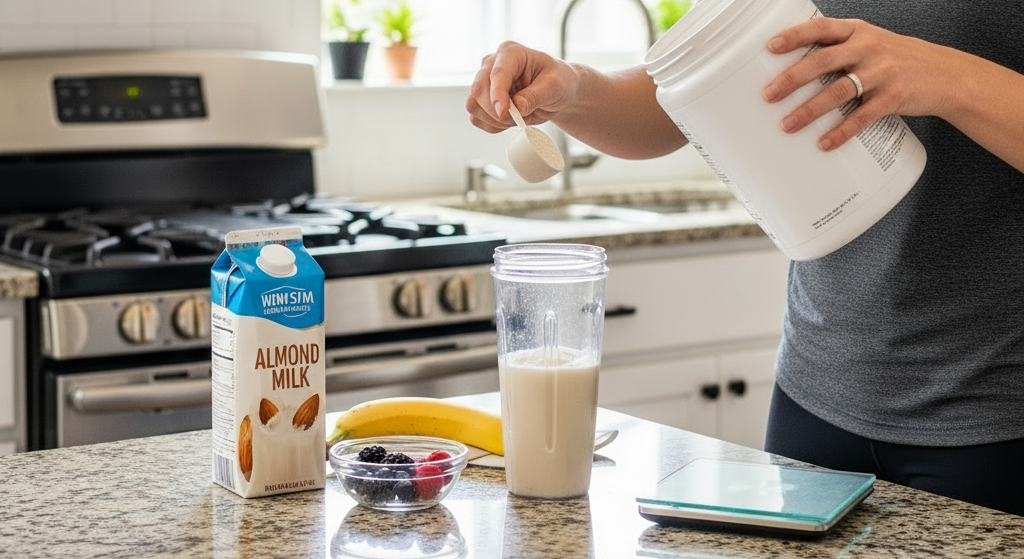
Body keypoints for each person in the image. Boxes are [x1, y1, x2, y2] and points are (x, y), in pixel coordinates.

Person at [466, 2, 1024, 515]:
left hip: (996, 412)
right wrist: (576, 88)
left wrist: (949, 78)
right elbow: (680, 100)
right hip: (816, 394)